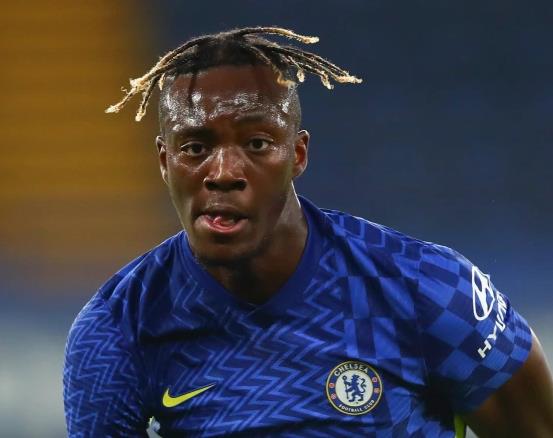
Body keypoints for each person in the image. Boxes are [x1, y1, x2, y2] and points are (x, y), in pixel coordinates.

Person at [63, 27, 553, 437]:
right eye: (195, 148)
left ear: (297, 155)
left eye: (257, 143)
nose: (224, 172)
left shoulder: (429, 288)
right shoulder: (119, 328)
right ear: (164, 161)